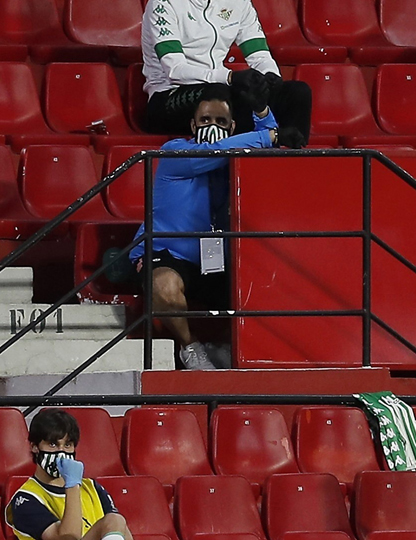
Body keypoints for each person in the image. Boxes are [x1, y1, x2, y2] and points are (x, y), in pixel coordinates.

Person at [125, 83, 302, 370]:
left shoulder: (234, 160)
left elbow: (273, 151)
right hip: (169, 253)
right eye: (205, 120)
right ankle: (191, 348)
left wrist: (262, 112)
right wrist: (268, 134)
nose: (212, 126)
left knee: (272, 277)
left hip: (216, 257)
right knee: (163, 286)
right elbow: (231, 148)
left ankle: (228, 347)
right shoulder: (175, 152)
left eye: (221, 122)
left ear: (232, 127)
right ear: (192, 124)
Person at [8, 409, 207, 540]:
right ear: (33, 447)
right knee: (111, 521)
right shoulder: (26, 499)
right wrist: (72, 485)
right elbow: (68, 539)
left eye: (67, 445)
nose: (61, 452)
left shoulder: (92, 488)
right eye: (52, 444)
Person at [141, 0, 313, 136]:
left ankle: (289, 152)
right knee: (221, 95)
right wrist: (230, 77)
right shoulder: (164, 2)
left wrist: (269, 76)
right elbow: (175, 70)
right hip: (168, 96)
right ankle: (258, 145)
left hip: (222, 86)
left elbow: (258, 53)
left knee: (296, 92)